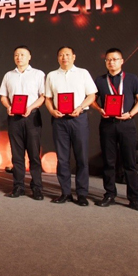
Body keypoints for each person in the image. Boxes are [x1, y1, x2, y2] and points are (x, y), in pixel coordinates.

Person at [91, 48, 138, 212]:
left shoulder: (132, 79)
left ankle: (134, 198)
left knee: (130, 162)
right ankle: (109, 194)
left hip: (126, 124)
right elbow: (92, 99)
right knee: (109, 161)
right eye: (108, 60)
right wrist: (99, 109)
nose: (111, 62)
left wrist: (130, 114)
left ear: (122, 61)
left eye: (115, 59)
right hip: (107, 124)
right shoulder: (100, 80)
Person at [45, 46, 97, 206]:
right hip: (59, 121)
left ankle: (82, 194)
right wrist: (52, 111)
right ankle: (65, 192)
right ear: (57, 58)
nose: (64, 57)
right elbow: (48, 98)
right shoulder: (52, 75)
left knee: (81, 157)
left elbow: (92, 95)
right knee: (62, 158)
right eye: (61, 55)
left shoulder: (83, 73)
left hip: (78, 119)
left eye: (67, 54)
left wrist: (80, 107)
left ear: (74, 57)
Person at [0, 46, 45, 200]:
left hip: (32, 117)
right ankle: (18, 187)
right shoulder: (8, 75)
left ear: (29, 56)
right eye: (16, 55)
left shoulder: (38, 74)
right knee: (17, 155)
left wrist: (30, 108)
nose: (19, 57)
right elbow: (3, 96)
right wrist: (8, 106)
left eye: (23, 55)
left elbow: (43, 96)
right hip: (14, 118)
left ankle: (37, 187)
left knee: (34, 155)